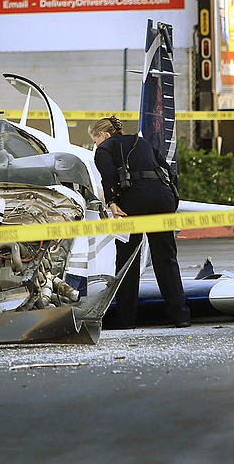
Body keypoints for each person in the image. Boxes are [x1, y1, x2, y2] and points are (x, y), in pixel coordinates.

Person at [89, 116, 190, 329]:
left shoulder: (104, 149)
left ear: (104, 135)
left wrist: (112, 201)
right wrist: (172, 198)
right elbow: (168, 171)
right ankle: (180, 315)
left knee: (128, 260)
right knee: (166, 258)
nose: (96, 144)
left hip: (133, 202)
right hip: (163, 198)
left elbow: (107, 176)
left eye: (95, 139)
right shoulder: (142, 142)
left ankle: (126, 319)